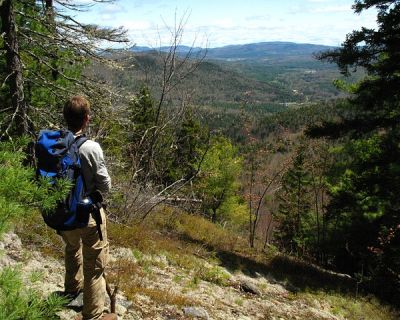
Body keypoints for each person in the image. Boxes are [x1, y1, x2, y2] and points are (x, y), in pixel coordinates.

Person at [60, 96, 115, 320]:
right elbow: (106, 185)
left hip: (63, 212)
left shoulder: (55, 143)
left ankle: (71, 290)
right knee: (95, 264)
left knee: (71, 248)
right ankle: (93, 314)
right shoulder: (91, 148)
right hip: (88, 214)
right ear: (86, 119)